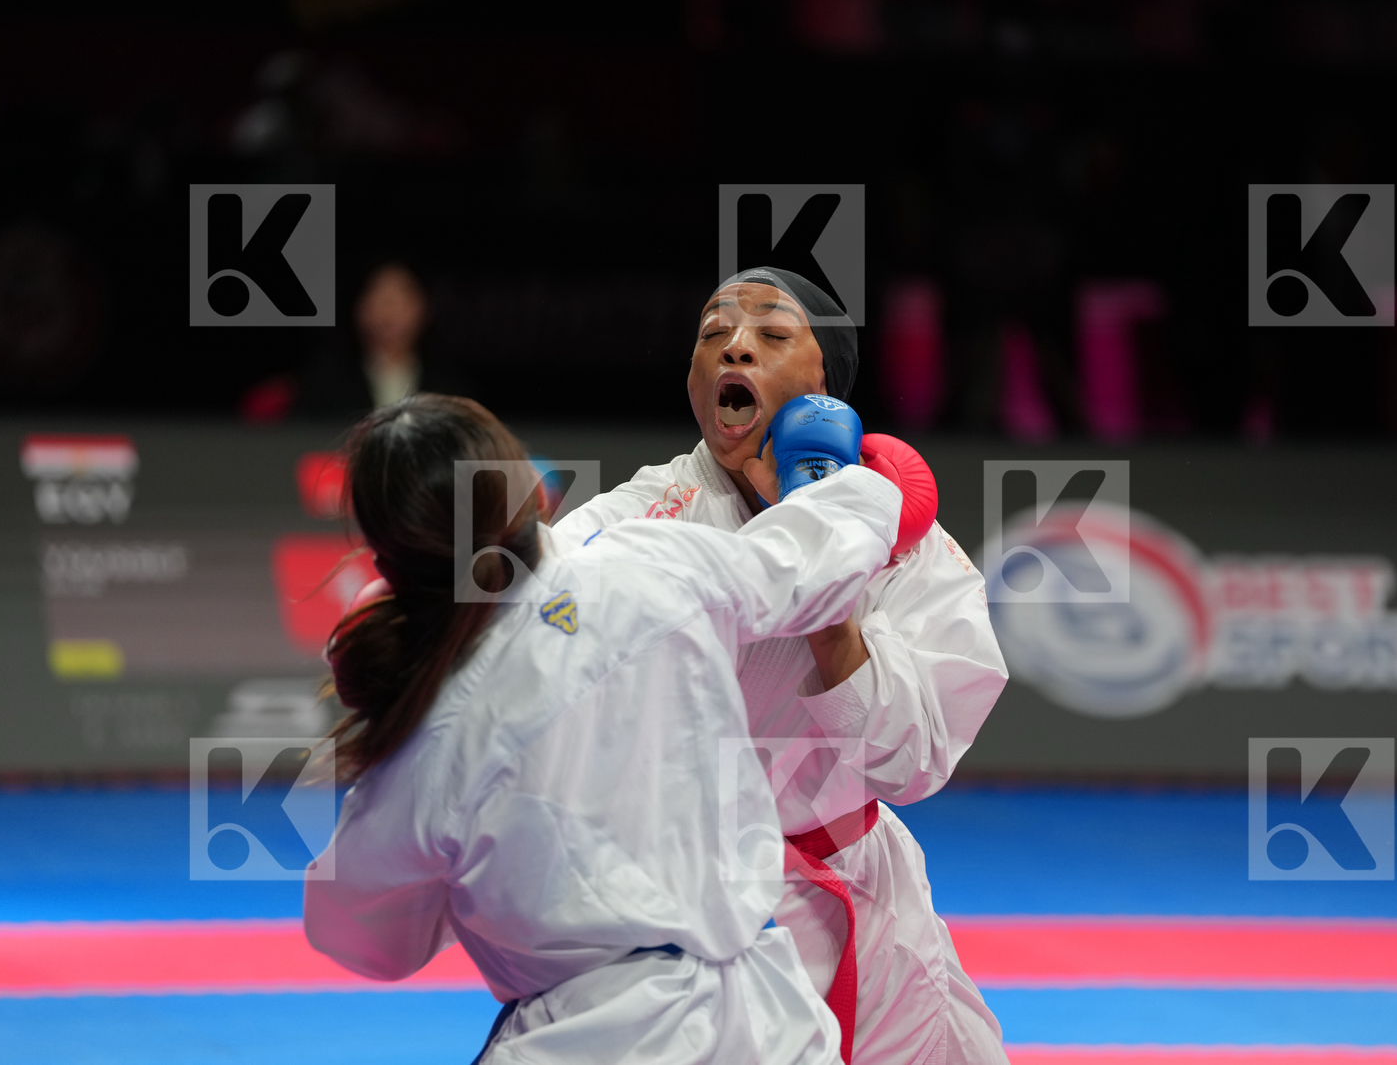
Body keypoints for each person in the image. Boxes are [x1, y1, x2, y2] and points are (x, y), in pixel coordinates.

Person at [303, 393, 902, 1064]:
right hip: (770, 1032)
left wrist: (473, 874)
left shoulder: (432, 738)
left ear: (387, 566)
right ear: (529, 490)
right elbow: (810, 562)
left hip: (584, 1040)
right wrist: (843, 480)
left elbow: (363, 940)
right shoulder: (650, 564)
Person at [553, 268, 1011, 1064]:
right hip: (678, 911)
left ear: (822, 380)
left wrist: (830, 602)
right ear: (696, 382)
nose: (735, 344)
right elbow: (542, 622)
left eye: (771, 334)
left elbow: (915, 762)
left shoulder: (903, 538)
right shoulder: (641, 517)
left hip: (864, 907)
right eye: (712, 335)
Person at [293, 261, 470, 417]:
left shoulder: (451, 388)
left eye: (400, 300)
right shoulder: (325, 381)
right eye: (378, 298)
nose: (388, 312)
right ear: (358, 309)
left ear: (425, 309)